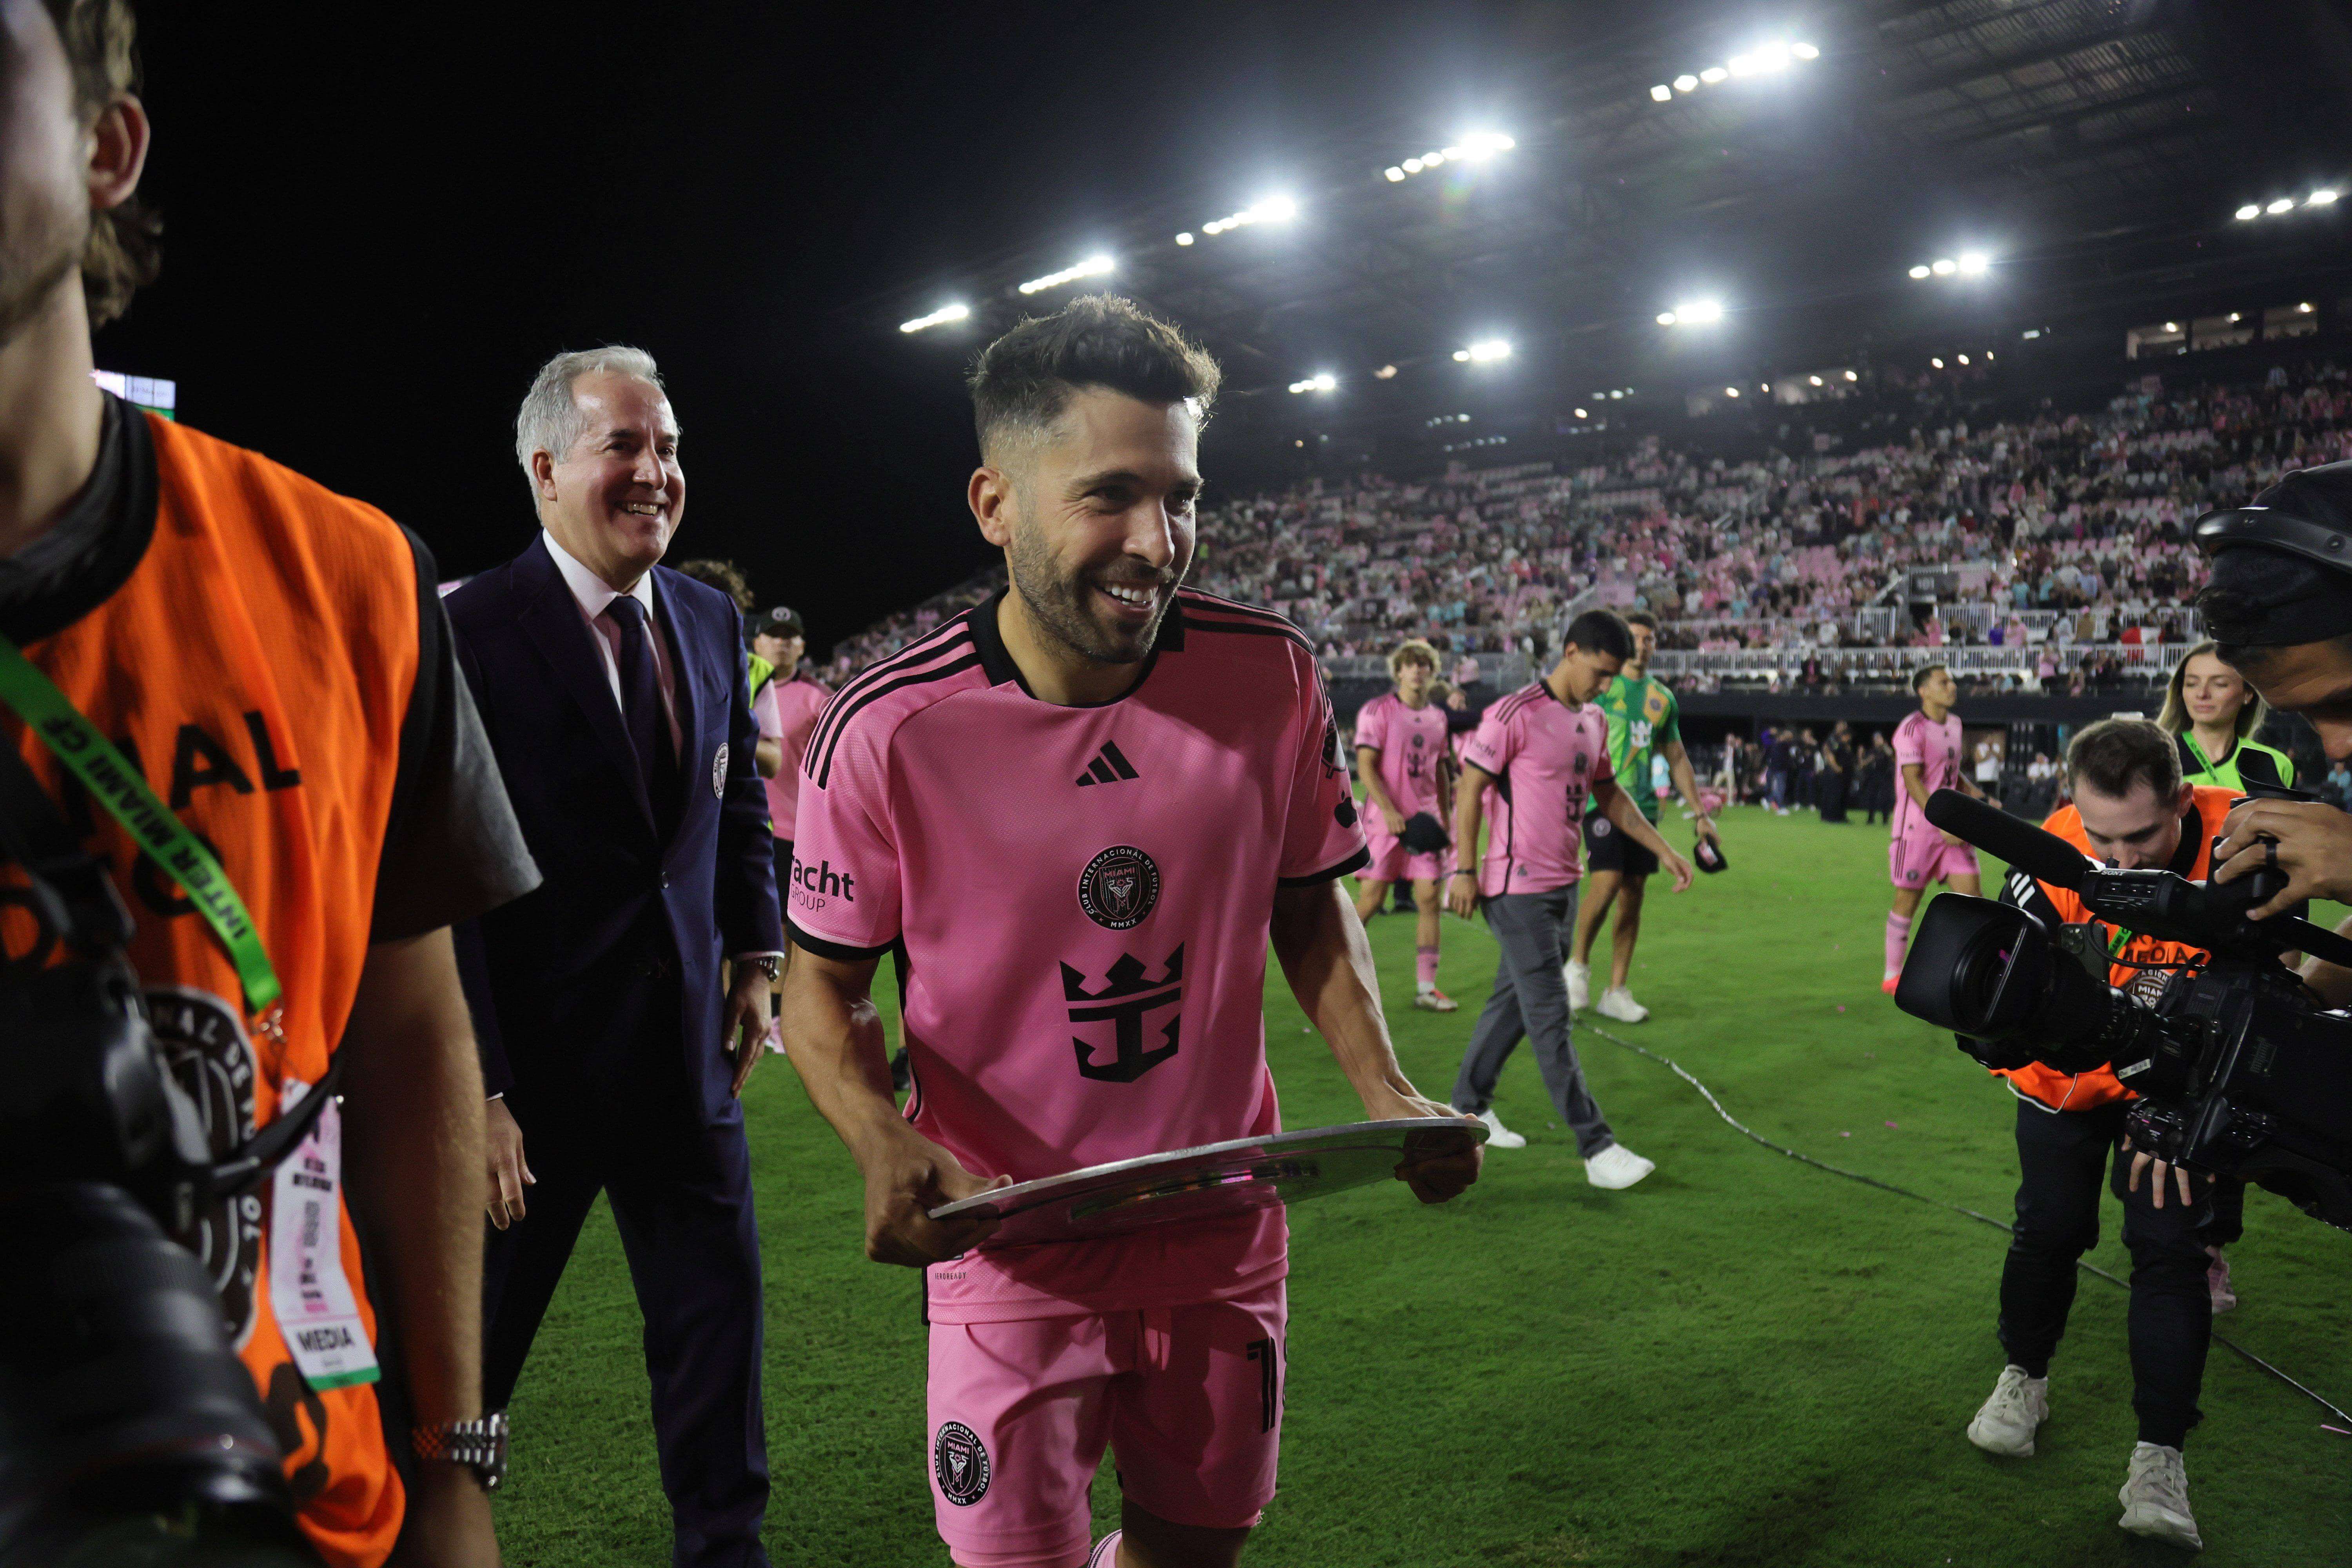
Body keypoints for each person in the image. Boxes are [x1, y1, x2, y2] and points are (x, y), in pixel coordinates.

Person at [778, 295, 1478, 1568]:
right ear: (994, 504)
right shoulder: (887, 730)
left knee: (1194, 1552)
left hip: (1219, 1226)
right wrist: (878, 1137)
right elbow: (821, 991)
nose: (1161, 542)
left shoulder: (1271, 676)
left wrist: (1385, 1091)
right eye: (1110, 495)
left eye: (1184, 496)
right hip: (1012, 1245)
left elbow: (1308, 895)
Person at [0, 6, 541, 1561]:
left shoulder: (343, 578)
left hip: (291, 1502)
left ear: (107, 150)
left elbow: (412, 1029)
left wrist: (455, 1465)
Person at [448, 347, 784, 1568]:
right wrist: (477, 1088)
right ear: (544, 468)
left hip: (686, 1068)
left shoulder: (706, 615)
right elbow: (439, 888)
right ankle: (435, 1532)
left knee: (715, 1344)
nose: (658, 472)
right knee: (463, 1371)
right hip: (523, 1095)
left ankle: (723, 1552)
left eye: (671, 446)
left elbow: (735, 797)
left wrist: (754, 950)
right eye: (625, 446)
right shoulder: (464, 630)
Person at [1965, 721, 2235, 1552]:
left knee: (2168, 1246)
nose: (2118, 861)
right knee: (2048, 1226)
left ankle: (2160, 1457)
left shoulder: (2240, 840)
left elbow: (2257, 985)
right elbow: (2015, 983)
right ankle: (2024, 1376)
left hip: (2180, 1083)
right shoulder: (2055, 849)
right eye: (2101, 837)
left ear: (2183, 801)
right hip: (2070, 1077)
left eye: (2142, 835)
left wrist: (2183, 1105)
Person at [1445, 609, 1693, 1176]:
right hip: (1515, 889)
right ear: (1572, 652)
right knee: (1551, 1016)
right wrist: (1463, 870)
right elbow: (1470, 791)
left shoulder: (1593, 720)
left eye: (1613, 677)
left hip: (1563, 885)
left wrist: (1664, 849)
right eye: (1601, 674)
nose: (1605, 687)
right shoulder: (1514, 714)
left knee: (1511, 1005)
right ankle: (1597, 1147)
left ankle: (1465, 1109)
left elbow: (1612, 800)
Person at [1564, 610, 1719, 1023]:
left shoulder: (1661, 699)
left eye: (1650, 639)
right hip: (1601, 801)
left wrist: (1700, 813)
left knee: (1633, 895)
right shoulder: (1601, 686)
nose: (1643, 645)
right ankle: (1576, 967)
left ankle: (1616, 990)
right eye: (1636, 637)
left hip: (1645, 810)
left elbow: (1677, 756)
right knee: (1608, 879)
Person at [1352, 637, 1459, 1012]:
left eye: (1424, 664)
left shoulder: (1439, 717)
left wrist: (1445, 819)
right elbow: (1366, 766)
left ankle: (1427, 988)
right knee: (1372, 900)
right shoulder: (1377, 711)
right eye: (1410, 664)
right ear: (1398, 671)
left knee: (1430, 899)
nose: (1417, 670)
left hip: (1425, 821)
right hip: (1385, 823)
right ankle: (1334, 972)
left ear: (1432, 672)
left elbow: (1443, 772)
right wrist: (1389, 809)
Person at [1882, 664, 1994, 995]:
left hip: (1951, 830)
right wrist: (1941, 819)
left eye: (1952, 680)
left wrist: (1981, 797)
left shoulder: (1956, 725)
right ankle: (1892, 975)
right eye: (1943, 682)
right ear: (1924, 691)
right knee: (1907, 900)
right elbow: (1913, 779)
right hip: (1917, 830)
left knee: (1973, 900)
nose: (1952, 686)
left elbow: (1952, 775)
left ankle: (1970, 972)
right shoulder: (1911, 729)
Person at [673, 560, 783, 780]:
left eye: (717, 604)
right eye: (698, 603)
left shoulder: (755, 668)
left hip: (731, 805)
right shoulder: (659, 652)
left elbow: (773, 761)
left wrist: (716, 734)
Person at [2156, 640, 2294, 795]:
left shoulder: (2275, 764)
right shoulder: (2156, 761)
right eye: (2192, 684)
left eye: (2220, 684)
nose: (2202, 694)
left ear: (2248, 693)